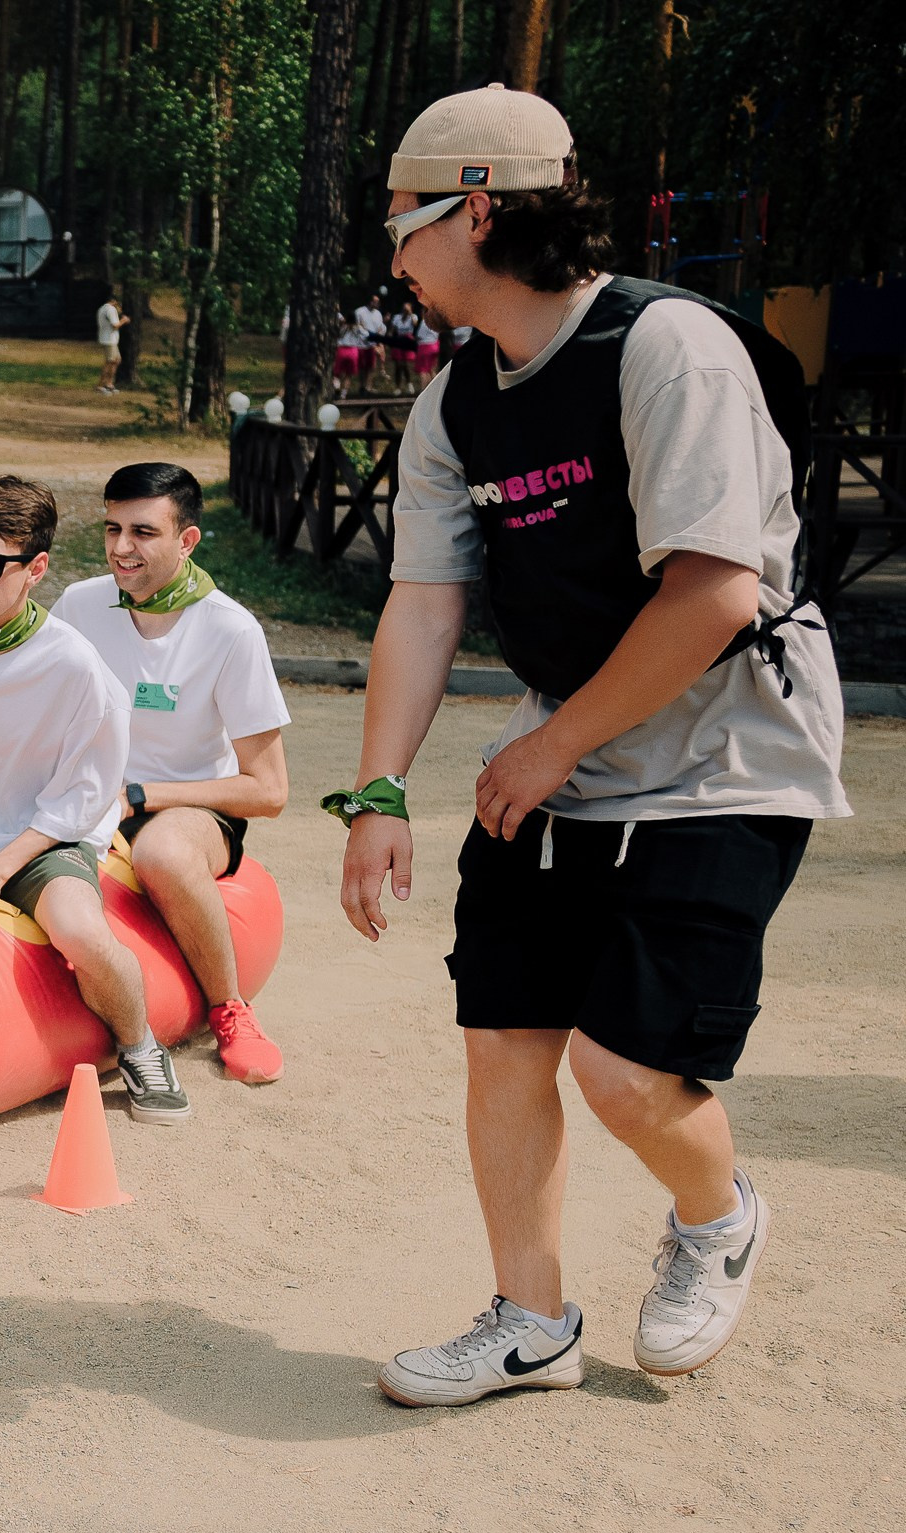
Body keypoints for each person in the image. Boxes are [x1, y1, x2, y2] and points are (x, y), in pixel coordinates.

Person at [341, 85, 846, 1407]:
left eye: (404, 221)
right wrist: (380, 786)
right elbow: (427, 600)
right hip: (566, 743)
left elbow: (714, 593)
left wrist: (553, 744)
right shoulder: (454, 402)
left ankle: (717, 1213)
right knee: (507, 1030)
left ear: (483, 209)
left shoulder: (662, 348)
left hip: (726, 748)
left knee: (626, 1068)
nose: (391, 254)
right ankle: (530, 1318)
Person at [0, 477, 179, 1122]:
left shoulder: (77, 669)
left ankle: (140, 1045)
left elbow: (80, 800)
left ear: (35, 569)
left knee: (81, 931)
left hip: (36, 837)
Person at [55, 462, 291, 1084]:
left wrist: (141, 795)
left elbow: (267, 792)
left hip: (191, 808)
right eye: (112, 530)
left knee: (159, 852)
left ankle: (231, 1009)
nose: (121, 548)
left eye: (143, 532)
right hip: (91, 798)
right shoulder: (79, 605)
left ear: (186, 541)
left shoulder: (231, 631)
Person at [96, 296, 131, 393]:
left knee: (116, 360)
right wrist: (124, 320)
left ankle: (109, 383)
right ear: (114, 301)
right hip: (109, 339)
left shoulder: (102, 309)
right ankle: (101, 385)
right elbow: (115, 325)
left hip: (108, 339)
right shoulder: (111, 309)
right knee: (110, 361)